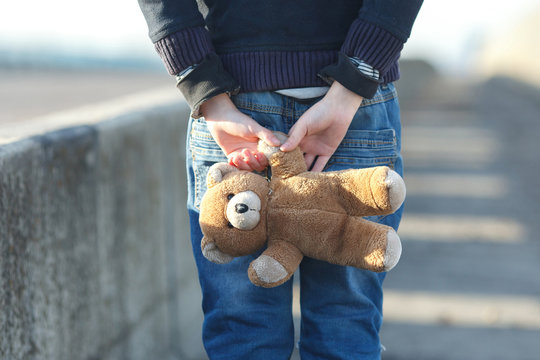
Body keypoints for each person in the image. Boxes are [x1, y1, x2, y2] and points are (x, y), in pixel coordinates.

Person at [138, 1, 423, 358]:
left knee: (243, 330)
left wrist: (204, 87)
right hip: (353, 107)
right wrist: (354, 79)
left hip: (235, 105)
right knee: (345, 324)